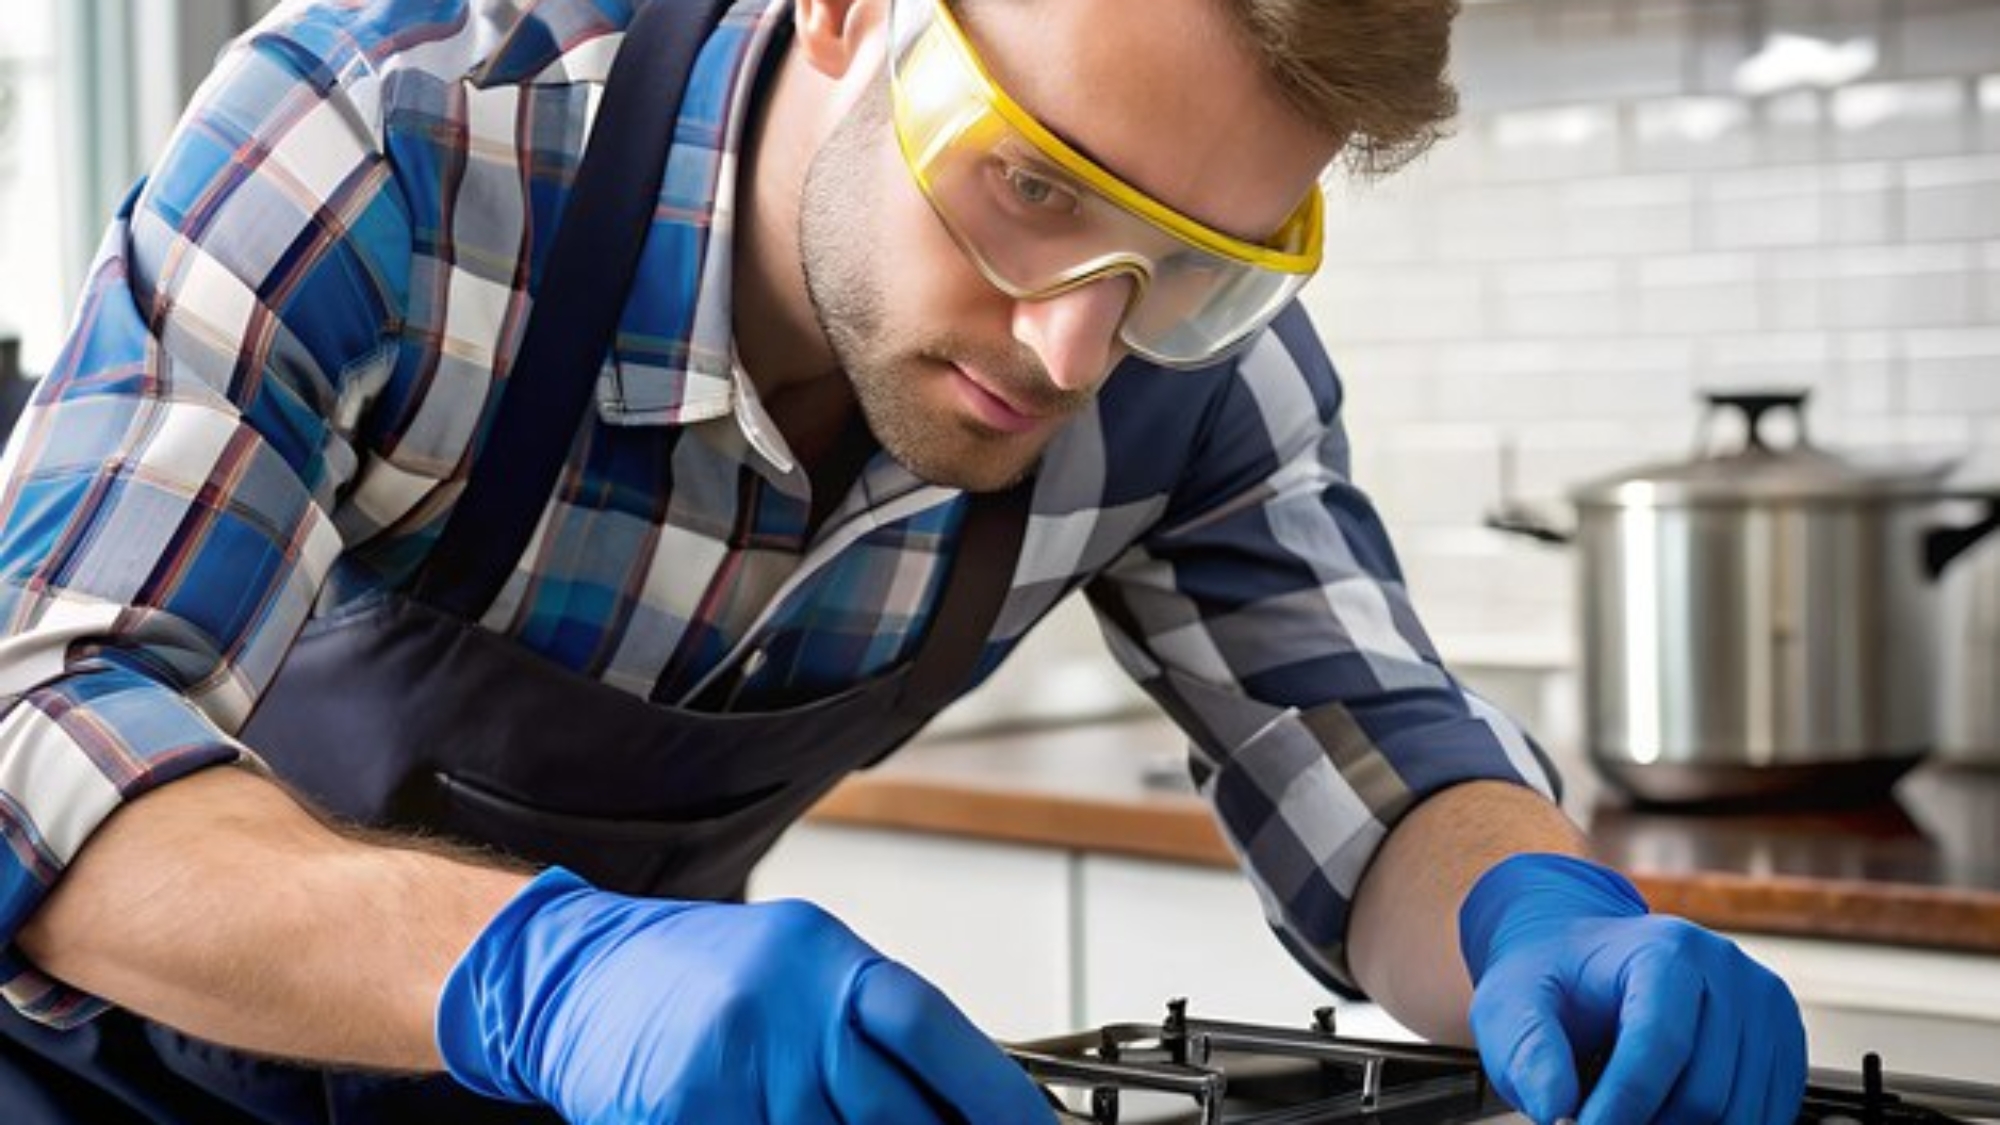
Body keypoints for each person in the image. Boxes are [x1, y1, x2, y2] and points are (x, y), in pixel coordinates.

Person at [0, 0, 1806, 1122]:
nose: (1075, 347)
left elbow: (1370, 751)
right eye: (1035, 186)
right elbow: (38, 727)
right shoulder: (389, 145)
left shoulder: (1181, 361)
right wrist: (544, 979)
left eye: (1202, 256)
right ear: (853, 11)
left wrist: (1534, 918)